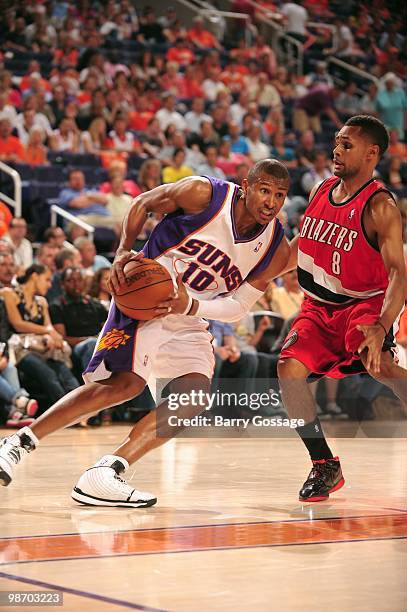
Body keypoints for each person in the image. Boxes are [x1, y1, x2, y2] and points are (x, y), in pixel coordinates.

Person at [0, 160, 292, 506]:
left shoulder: (275, 247)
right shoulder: (204, 194)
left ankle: (105, 473)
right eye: (264, 190)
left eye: (279, 195)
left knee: (194, 397)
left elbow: (239, 306)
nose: (271, 202)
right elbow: (142, 203)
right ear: (246, 186)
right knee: (125, 385)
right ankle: (19, 442)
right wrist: (124, 250)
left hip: (189, 314)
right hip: (145, 299)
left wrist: (191, 306)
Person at [277, 115, 407, 503]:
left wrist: (383, 325)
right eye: (336, 141)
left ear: (372, 153)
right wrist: (252, 280)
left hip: (364, 304)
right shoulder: (321, 189)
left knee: (379, 366)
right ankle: (324, 465)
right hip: (319, 307)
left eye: (347, 145)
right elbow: (299, 246)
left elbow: (399, 272)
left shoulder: (380, 205)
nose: (336, 149)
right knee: (288, 370)